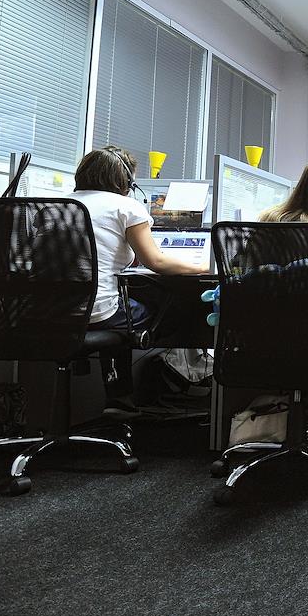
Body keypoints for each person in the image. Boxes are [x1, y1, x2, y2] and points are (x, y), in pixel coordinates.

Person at [70, 146, 209, 416]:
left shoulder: (55, 204)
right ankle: (124, 399)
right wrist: (203, 267)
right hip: (98, 313)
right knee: (161, 307)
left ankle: (120, 400)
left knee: (120, 306)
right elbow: (156, 262)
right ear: (125, 180)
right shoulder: (125, 206)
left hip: (48, 313)